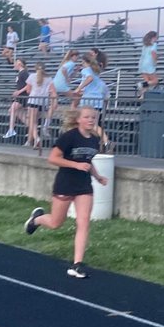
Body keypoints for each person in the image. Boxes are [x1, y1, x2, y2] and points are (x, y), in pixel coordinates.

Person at [23, 105, 109, 280]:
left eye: (93, 117)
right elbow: (53, 158)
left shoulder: (93, 140)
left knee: (83, 222)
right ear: (78, 120)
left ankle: (77, 264)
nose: (91, 120)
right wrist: (76, 165)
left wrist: (98, 176)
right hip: (65, 184)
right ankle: (37, 219)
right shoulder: (69, 137)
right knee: (56, 223)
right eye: (87, 117)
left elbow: (87, 161)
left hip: (84, 186)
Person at [26, 63, 51, 148]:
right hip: (43, 102)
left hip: (33, 100)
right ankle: (30, 141)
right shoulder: (49, 78)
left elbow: (28, 90)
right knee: (35, 121)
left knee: (33, 121)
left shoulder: (32, 76)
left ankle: (36, 138)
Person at [4, 58, 31, 139]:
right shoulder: (20, 73)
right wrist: (16, 91)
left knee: (12, 109)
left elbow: (29, 85)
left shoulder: (24, 73)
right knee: (18, 113)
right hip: (21, 96)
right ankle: (31, 127)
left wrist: (19, 92)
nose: (14, 64)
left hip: (23, 96)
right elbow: (22, 85)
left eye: (15, 63)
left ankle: (11, 129)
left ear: (19, 64)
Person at [51, 49, 80, 118]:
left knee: (53, 105)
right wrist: (67, 78)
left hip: (55, 84)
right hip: (62, 84)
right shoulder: (72, 63)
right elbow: (64, 70)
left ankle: (47, 123)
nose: (77, 58)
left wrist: (76, 70)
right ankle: (71, 116)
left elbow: (70, 75)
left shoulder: (66, 62)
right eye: (76, 57)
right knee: (76, 98)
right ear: (73, 56)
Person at [138, 31, 159, 97]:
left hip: (142, 64)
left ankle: (142, 95)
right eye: (156, 37)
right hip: (149, 64)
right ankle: (141, 84)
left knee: (147, 82)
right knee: (155, 81)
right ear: (153, 37)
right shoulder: (154, 44)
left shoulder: (145, 45)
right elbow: (153, 54)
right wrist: (155, 61)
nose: (157, 39)